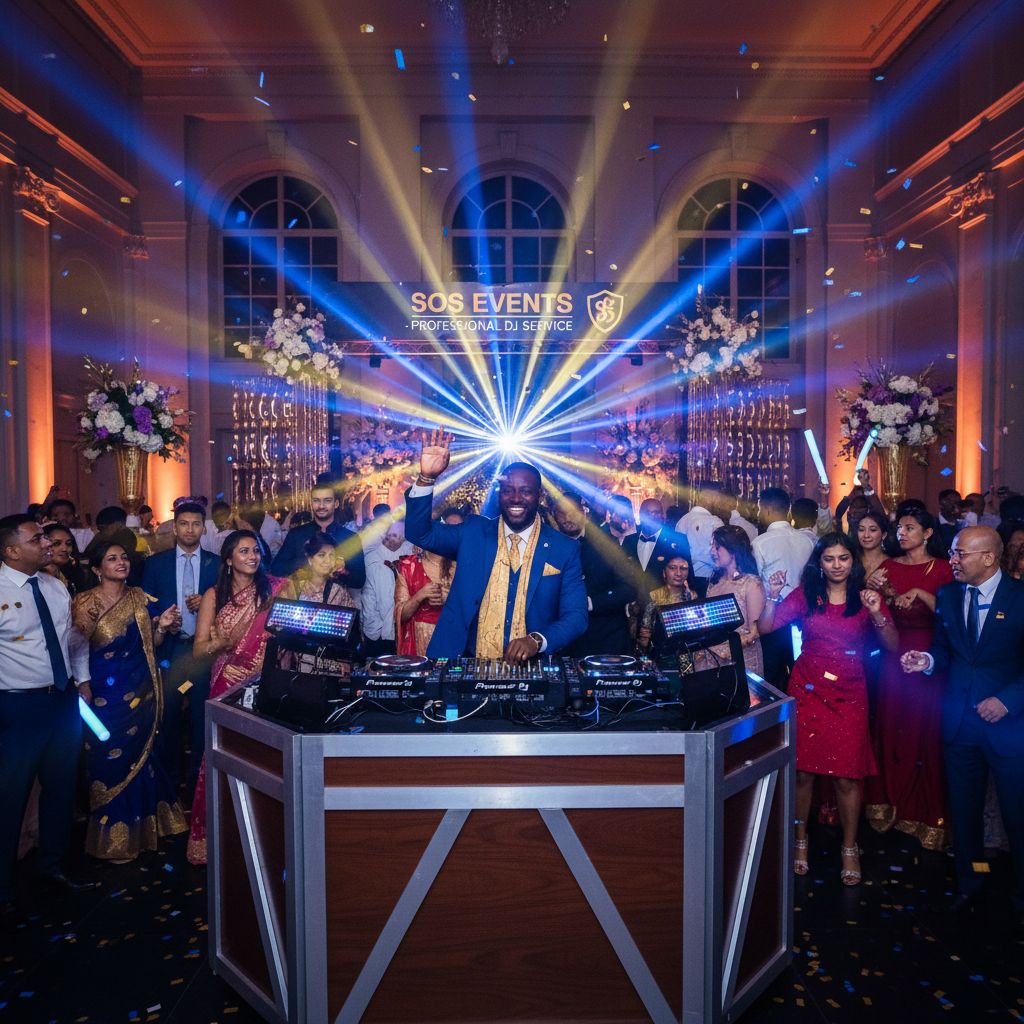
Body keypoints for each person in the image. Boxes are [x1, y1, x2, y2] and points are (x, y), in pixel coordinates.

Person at [755, 532, 898, 884]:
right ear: (819, 563)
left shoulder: (865, 596)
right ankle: (799, 840)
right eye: (829, 559)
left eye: (843, 558)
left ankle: (849, 847)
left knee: (846, 776)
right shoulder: (807, 594)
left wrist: (877, 612)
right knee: (803, 773)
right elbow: (767, 627)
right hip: (808, 688)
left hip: (850, 691)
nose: (837, 565)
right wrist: (772, 594)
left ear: (853, 561)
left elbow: (892, 645)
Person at [902, 526, 1024, 934]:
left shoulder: (1020, 597)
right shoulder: (949, 596)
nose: (952, 560)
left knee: (1017, 817)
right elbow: (944, 649)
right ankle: (973, 883)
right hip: (960, 723)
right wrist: (926, 661)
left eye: (960, 554)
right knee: (965, 815)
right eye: (953, 553)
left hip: (1009, 728)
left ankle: (1021, 896)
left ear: (989, 558)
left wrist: (1007, 701)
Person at [404, 429, 587, 663]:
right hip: (464, 661)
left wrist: (537, 640)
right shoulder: (472, 532)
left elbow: (576, 616)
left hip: (529, 668)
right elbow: (419, 533)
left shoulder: (564, 549)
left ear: (539, 496)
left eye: (525, 491)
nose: (516, 498)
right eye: (508, 490)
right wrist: (426, 478)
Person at [0, 514, 94, 924]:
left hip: (63, 700)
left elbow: (70, 641)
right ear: (11, 551)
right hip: (19, 707)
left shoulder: (55, 586)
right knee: (10, 799)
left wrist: (81, 680)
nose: (47, 543)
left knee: (61, 788)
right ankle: (3, 891)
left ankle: (51, 867)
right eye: (36, 539)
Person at [71, 541, 188, 861]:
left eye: (124, 557)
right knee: (108, 759)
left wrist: (162, 626)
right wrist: (83, 684)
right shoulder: (85, 602)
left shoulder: (139, 597)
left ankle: (146, 830)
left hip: (141, 692)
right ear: (97, 569)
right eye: (112, 559)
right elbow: (77, 648)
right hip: (103, 696)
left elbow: (155, 643)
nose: (121, 562)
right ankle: (114, 838)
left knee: (144, 757)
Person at [186, 530, 293, 864]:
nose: (252, 556)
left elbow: (291, 636)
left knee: (266, 758)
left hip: (267, 686)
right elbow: (199, 650)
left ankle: (265, 838)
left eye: (256, 550)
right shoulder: (214, 595)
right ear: (229, 559)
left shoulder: (277, 589)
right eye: (244, 551)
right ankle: (221, 838)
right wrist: (220, 643)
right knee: (223, 757)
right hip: (227, 687)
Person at [863, 511, 955, 850]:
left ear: (928, 533)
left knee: (923, 731)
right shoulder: (888, 566)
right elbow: (873, 609)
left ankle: (923, 814)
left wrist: (919, 593)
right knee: (891, 727)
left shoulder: (942, 569)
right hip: (893, 654)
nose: (901, 533)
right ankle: (888, 806)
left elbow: (953, 615)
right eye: (899, 528)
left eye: (909, 528)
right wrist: (874, 588)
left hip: (930, 656)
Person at [141, 502, 222, 791]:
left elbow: (229, 604)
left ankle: (200, 780)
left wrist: (209, 603)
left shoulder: (217, 563)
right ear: (174, 527)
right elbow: (145, 605)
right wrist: (162, 621)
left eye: (196, 524)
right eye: (184, 524)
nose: (190, 529)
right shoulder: (156, 563)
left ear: (204, 528)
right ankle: (170, 779)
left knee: (203, 715)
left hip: (203, 651)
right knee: (169, 714)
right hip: (170, 649)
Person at [553, 492, 636, 657]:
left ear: (584, 512)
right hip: (563, 644)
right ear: (554, 515)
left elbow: (629, 588)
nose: (569, 517)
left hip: (607, 642)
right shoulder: (547, 546)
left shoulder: (607, 543)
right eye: (563, 512)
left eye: (574, 511)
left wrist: (590, 603)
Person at [752, 487, 815, 691]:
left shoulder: (760, 543)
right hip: (804, 617)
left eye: (760, 509)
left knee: (772, 676)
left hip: (774, 619)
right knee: (801, 672)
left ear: (767, 510)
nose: (759, 514)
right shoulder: (807, 540)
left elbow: (755, 585)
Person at [694, 526, 766, 677]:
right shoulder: (715, 580)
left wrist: (723, 649)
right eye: (712, 547)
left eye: (717, 547)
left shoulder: (751, 583)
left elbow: (755, 632)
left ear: (733, 550)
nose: (712, 552)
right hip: (713, 661)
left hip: (742, 662)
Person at [269, 483, 366, 587]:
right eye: (317, 501)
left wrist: (337, 570)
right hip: (303, 595)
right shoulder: (297, 534)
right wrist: (306, 560)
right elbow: (276, 569)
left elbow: (359, 581)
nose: (321, 506)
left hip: (338, 596)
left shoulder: (350, 537)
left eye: (327, 501)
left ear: (336, 504)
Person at [622, 498, 696, 603]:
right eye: (648, 513)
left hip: (666, 605)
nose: (652, 517)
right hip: (635, 605)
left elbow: (688, 576)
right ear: (640, 515)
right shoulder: (629, 541)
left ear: (662, 516)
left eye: (656, 513)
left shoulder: (678, 540)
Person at [360, 517, 414, 659]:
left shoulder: (412, 554)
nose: (397, 539)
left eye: (401, 535)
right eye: (394, 534)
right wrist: (377, 631)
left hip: (407, 629)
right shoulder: (372, 560)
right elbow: (370, 600)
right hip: (380, 633)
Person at [394, 545, 456, 656]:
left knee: (446, 666)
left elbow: (474, 607)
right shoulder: (409, 566)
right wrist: (419, 596)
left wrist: (450, 599)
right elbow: (400, 614)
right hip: (419, 642)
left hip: (451, 638)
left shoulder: (459, 565)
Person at [636, 555, 697, 656]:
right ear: (664, 573)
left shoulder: (694, 597)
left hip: (691, 653)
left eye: (683, 568)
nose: (678, 573)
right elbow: (645, 632)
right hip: (662, 655)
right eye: (673, 568)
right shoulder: (655, 597)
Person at [293, 532, 358, 608]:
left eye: (331, 555)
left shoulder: (338, 590)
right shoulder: (295, 587)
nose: (328, 560)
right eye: (322, 555)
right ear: (310, 559)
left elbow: (351, 614)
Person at [676, 484, 726, 583]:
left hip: (686, 578)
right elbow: (722, 554)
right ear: (714, 498)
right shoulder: (715, 522)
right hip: (709, 578)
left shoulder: (681, 521)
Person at [82, 506, 143, 585]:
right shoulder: (102, 536)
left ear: (119, 524)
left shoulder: (126, 536)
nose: (101, 531)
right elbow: (88, 555)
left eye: (104, 528)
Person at [42, 523, 87, 595]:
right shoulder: (33, 578)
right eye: (57, 543)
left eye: (68, 544)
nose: (64, 549)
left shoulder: (75, 574)